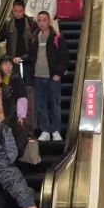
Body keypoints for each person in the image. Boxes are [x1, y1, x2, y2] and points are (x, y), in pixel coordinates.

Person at [25, 12, 69, 142]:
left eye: (44, 20)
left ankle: (55, 130)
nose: (41, 23)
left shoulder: (57, 37)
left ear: (49, 21)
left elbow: (65, 58)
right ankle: (45, 129)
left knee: (55, 104)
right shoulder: (33, 37)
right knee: (40, 104)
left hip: (52, 77)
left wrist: (58, 74)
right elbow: (31, 56)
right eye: (39, 21)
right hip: (38, 77)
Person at [0, 0, 36, 82]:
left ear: (24, 10)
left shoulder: (31, 23)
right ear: (12, 9)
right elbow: (1, 35)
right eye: (15, 11)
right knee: (11, 84)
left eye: (20, 11)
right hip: (12, 60)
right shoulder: (8, 23)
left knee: (27, 84)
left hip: (27, 60)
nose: (17, 13)